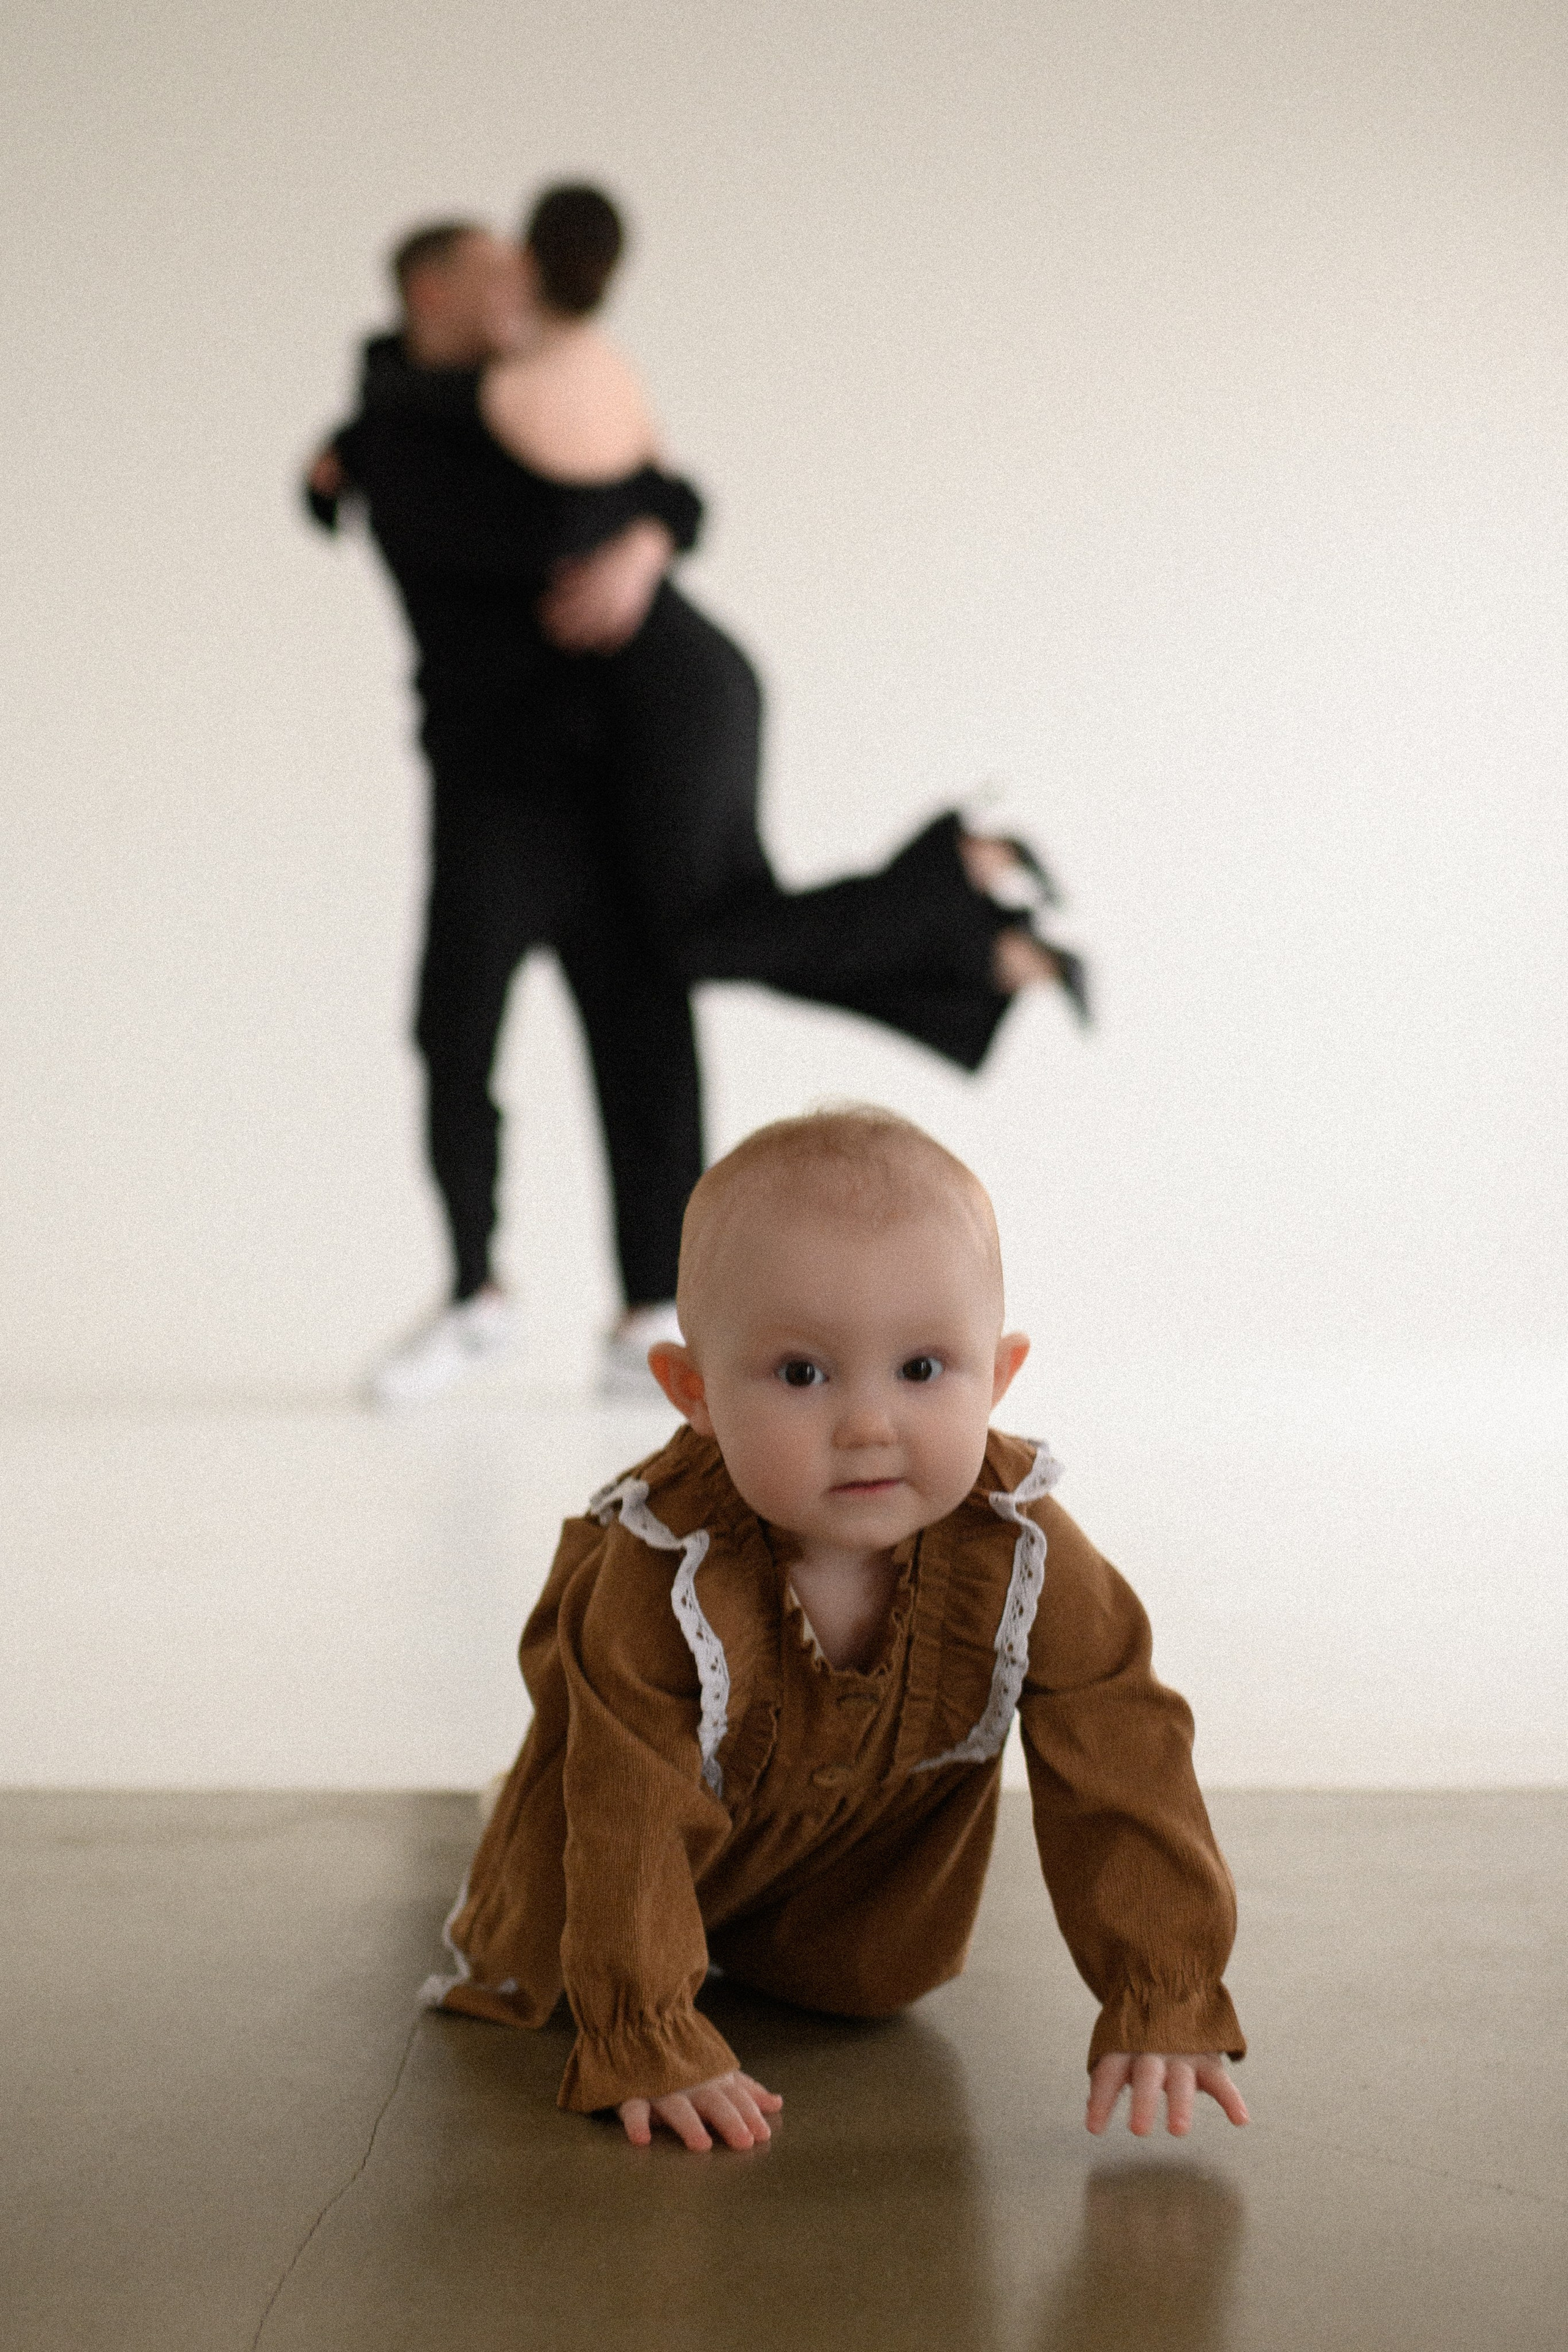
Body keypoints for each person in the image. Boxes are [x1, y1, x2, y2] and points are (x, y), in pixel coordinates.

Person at [422, 1107, 1248, 2152]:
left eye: (922, 1370)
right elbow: (629, 1811)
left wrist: (1164, 1987)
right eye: (803, 1374)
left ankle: (770, 1940)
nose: (868, 1426)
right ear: (693, 1393)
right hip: (634, 1841)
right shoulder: (664, 1570)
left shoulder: (1021, 1547)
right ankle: (551, 1863)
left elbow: (1124, 1752)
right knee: (541, 1956)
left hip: (857, 1889)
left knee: (868, 1985)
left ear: (999, 1377)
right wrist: (647, 2029)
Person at [309, 221, 716, 1401]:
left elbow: (678, 491)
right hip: (493, 789)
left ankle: (651, 1316)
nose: (521, 284)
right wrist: (634, 520)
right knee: (454, 1036)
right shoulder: (400, 431)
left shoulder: (518, 397)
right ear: (430, 290)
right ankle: (475, 1295)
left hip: (611, 780)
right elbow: (542, 529)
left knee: (647, 1037)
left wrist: (647, 539)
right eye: (494, 269)